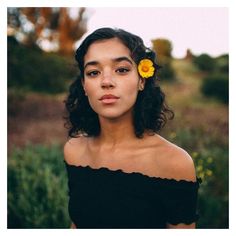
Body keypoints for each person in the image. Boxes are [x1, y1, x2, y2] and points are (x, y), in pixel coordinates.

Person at [63, 27, 201, 229]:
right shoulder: (74, 150)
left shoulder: (175, 163)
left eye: (122, 70)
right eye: (93, 72)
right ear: (84, 85)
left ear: (141, 80)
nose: (106, 82)